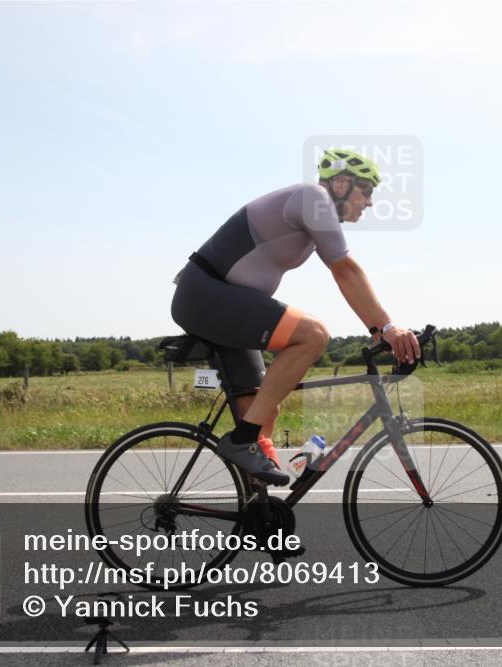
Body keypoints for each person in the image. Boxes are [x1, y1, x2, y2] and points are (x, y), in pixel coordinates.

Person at [170, 149, 421, 486]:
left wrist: (378, 331)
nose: (371, 202)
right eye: (367, 191)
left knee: (262, 410)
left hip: (219, 300)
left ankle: (260, 519)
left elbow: (344, 273)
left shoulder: (314, 211)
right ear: (343, 183)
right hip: (206, 295)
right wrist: (387, 328)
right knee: (313, 334)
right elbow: (345, 269)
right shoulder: (312, 198)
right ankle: (242, 440)